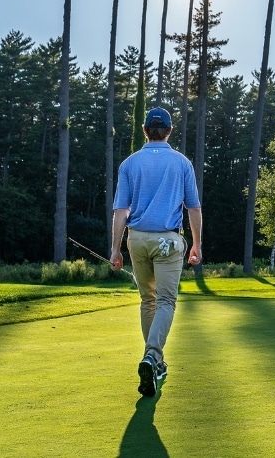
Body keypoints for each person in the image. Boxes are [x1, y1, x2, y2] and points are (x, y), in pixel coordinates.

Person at [110, 107, 203, 397]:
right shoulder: (182, 163)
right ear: (170, 131)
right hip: (168, 241)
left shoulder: (129, 164)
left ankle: (155, 360)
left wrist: (115, 248)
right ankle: (152, 356)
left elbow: (121, 210)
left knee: (147, 300)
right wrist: (197, 244)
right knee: (165, 300)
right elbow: (193, 207)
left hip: (136, 239)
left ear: (144, 130)